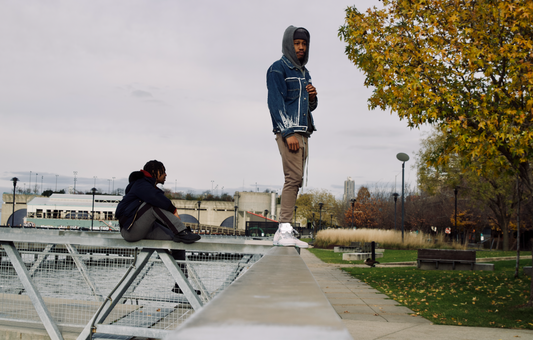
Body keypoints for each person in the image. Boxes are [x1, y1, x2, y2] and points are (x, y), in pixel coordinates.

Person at [267, 26, 317, 248]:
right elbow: (275, 104)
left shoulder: (304, 72)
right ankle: (283, 229)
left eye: (304, 44)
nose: (301, 47)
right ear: (289, 44)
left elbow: (308, 107)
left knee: (297, 181)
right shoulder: (277, 69)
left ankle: (286, 229)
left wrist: (313, 97)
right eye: (297, 43)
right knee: (293, 178)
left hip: (304, 132)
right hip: (290, 132)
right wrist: (288, 132)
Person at [115, 160, 200, 244]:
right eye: (163, 171)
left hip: (145, 228)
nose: (165, 174)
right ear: (153, 171)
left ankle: (180, 239)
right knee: (153, 204)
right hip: (130, 230)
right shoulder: (140, 184)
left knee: (177, 239)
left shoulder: (148, 187)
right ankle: (182, 232)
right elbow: (156, 198)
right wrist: (173, 210)